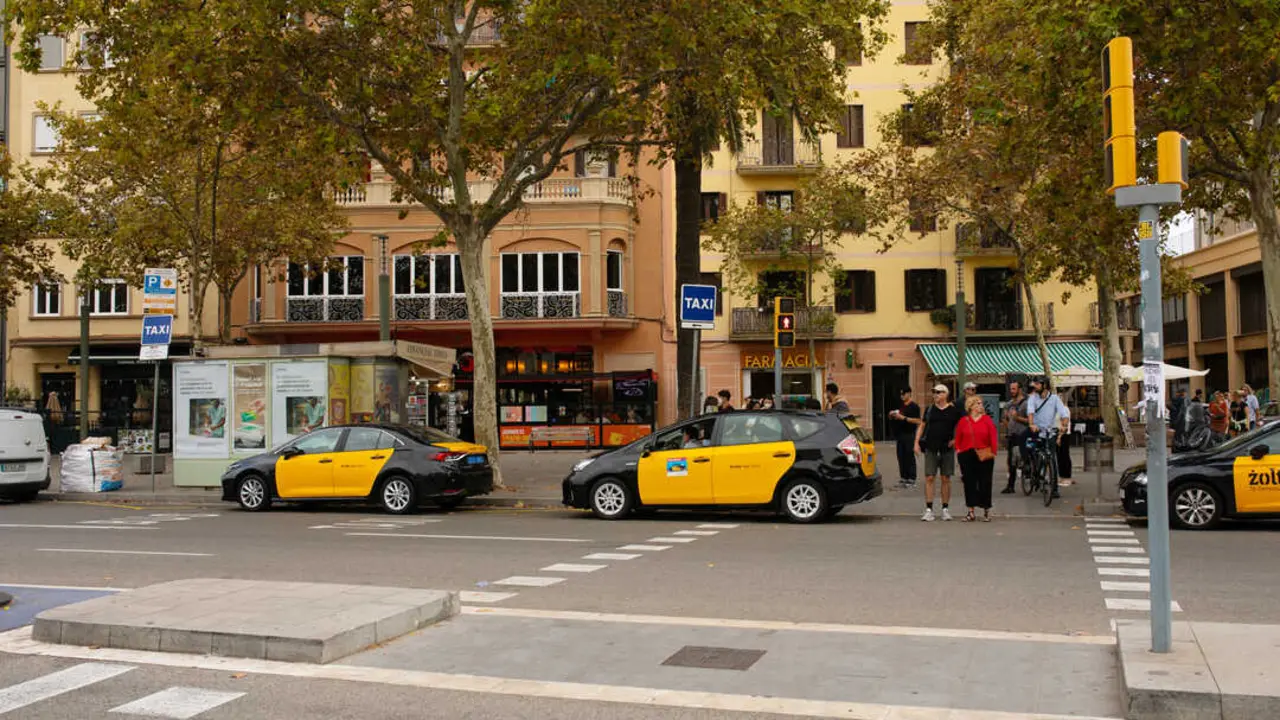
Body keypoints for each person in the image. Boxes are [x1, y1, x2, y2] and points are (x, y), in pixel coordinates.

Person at [914, 384, 963, 522]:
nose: (935, 394)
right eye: (934, 392)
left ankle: (945, 509)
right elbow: (922, 425)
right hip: (931, 447)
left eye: (939, 392)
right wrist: (916, 442)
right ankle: (929, 509)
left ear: (946, 394)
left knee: (945, 478)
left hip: (947, 448)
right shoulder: (930, 409)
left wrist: (956, 440)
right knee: (929, 477)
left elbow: (962, 426)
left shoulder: (953, 411)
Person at [955, 394, 998, 522]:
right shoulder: (964, 421)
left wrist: (993, 451)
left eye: (981, 403)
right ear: (971, 406)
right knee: (969, 482)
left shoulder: (987, 420)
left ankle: (986, 510)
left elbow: (993, 436)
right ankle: (971, 511)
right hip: (967, 453)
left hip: (984, 453)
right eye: (978, 403)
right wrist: (959, 450)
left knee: (985, 482)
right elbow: (958, 437)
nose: (981, 405)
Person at [1026, 376, 1068, 499]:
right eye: (1035, 384)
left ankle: (1054, 489)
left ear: (1045, 385)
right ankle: (1033, 471)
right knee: (1034, 453)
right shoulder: (1033, 398)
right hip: (1037, 430)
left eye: (1038, 384)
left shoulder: (1055, 399)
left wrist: (1064, 426)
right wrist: (1031, 424)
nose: (1035, 386)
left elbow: (1064, 413)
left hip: (1050, 431)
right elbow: (1030, 412)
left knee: (1052, 458)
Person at [889, 387, 922, 488]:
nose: (902, 396)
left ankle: (911, 479)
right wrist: (892, 415)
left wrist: (904, 418)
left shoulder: (914, 406)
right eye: (901, 394)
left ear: (909, 393)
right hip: (900, 434)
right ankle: (903, 477)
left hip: (909, 434)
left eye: (904, 394)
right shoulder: (901, 406)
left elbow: (918, 421)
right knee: (901, 456)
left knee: (909, 456)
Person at [1002, 380, 1029, 494]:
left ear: (1020, 389)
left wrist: (1017, 418)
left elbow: (1030, 421)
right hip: (1012, 435)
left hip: (1022, 435)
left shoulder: (1026, 404)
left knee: (1023, 459)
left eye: (1014, 389)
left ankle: (1029, 478)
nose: (1011, 391)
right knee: (1011, 461)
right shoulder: (1008, 404)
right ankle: (1010, 485)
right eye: (1010, 389)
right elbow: (1004, 419)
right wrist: (1008, 424)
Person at [1055, 390, 1073, 484]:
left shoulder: (1064, 409)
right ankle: (1062, 476)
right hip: (1059, 433)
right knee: (1060, 456)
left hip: (1064, 434)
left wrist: (1059, 436)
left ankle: (1067, 476)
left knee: (1064, 456)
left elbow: (1064, 424)